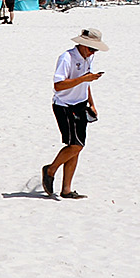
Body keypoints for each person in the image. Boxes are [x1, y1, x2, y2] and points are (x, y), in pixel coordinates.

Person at [44, 30, 106, 199]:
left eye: (96, 50)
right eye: (92, 49)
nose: (93, 53)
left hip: (80, 104)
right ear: (83, 44)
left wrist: (92, 103)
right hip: (64, 105)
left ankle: (66, 189)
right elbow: (58, 85)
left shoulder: (88, 57)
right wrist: (84, 79)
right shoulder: (67, 58)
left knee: (76, 147)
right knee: (76, 145)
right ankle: (50, 170)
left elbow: (87, 81)